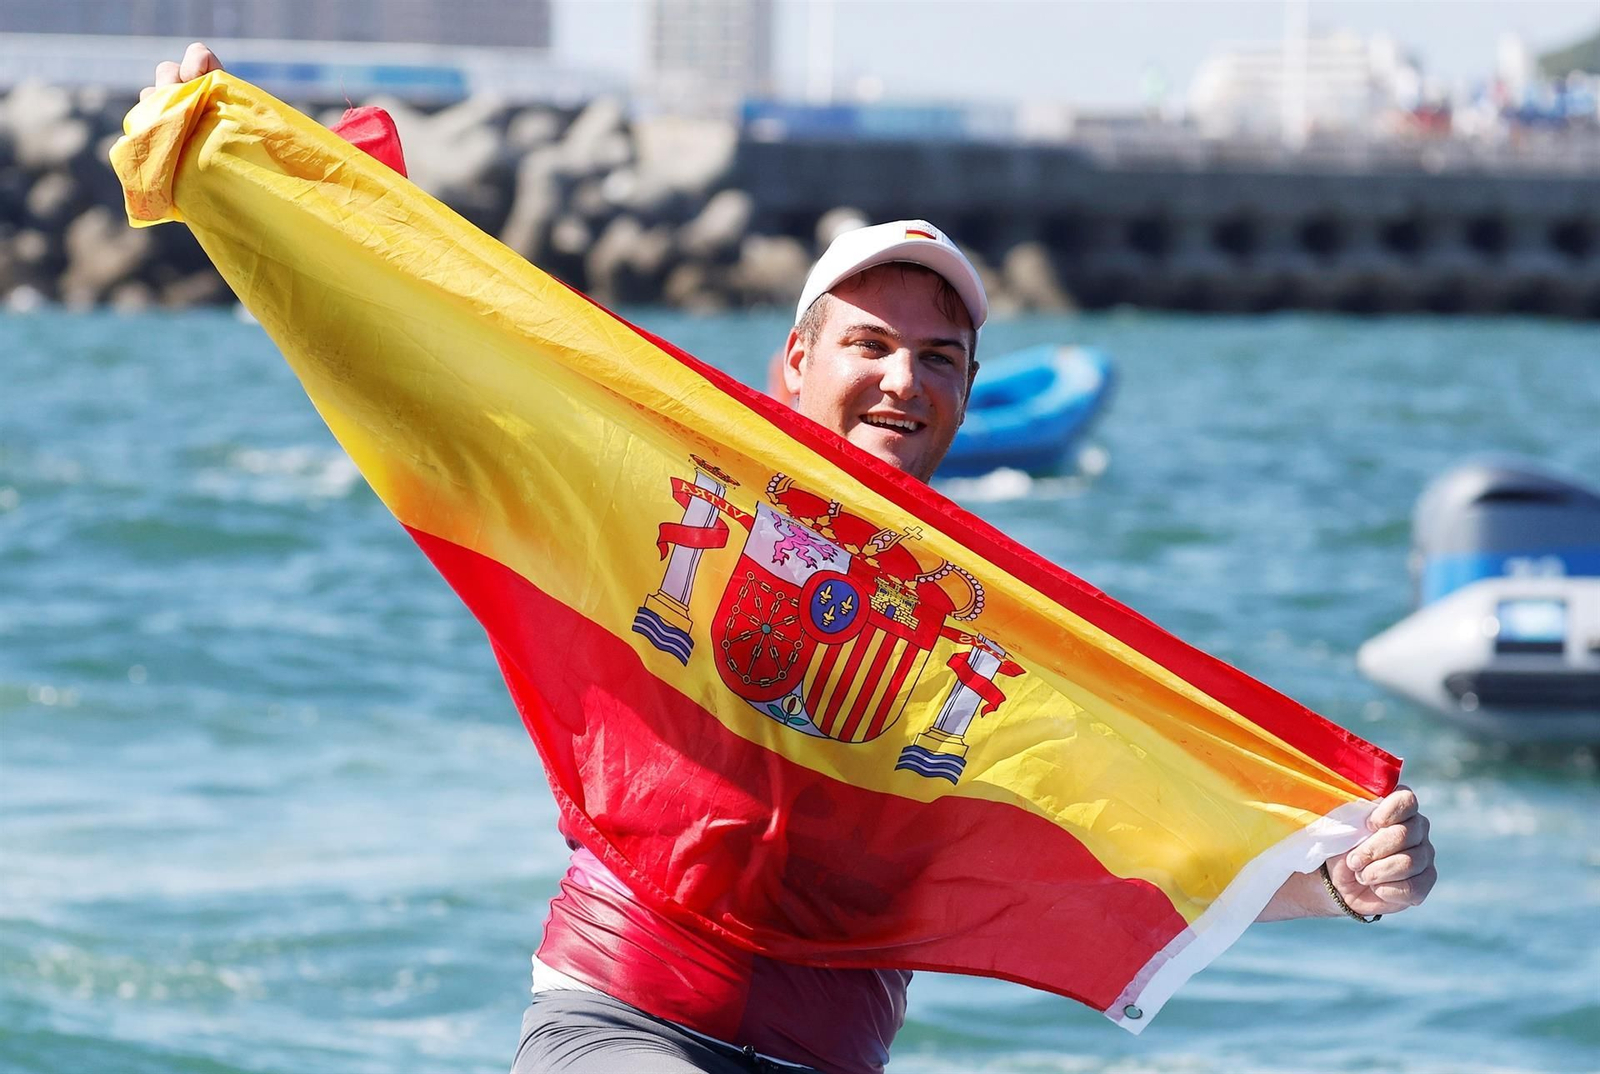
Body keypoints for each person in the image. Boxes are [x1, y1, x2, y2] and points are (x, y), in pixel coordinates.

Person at [145, 45, 1438, 1074]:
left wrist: (1339, 882)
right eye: (870, 341)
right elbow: (449, 366)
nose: (901, 377)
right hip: (624, 1018)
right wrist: (244, 170)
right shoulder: (664, 490)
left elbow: (1135, 834)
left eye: (939, 359)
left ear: (967, 397)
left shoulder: (987, 632)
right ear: (796, 366)